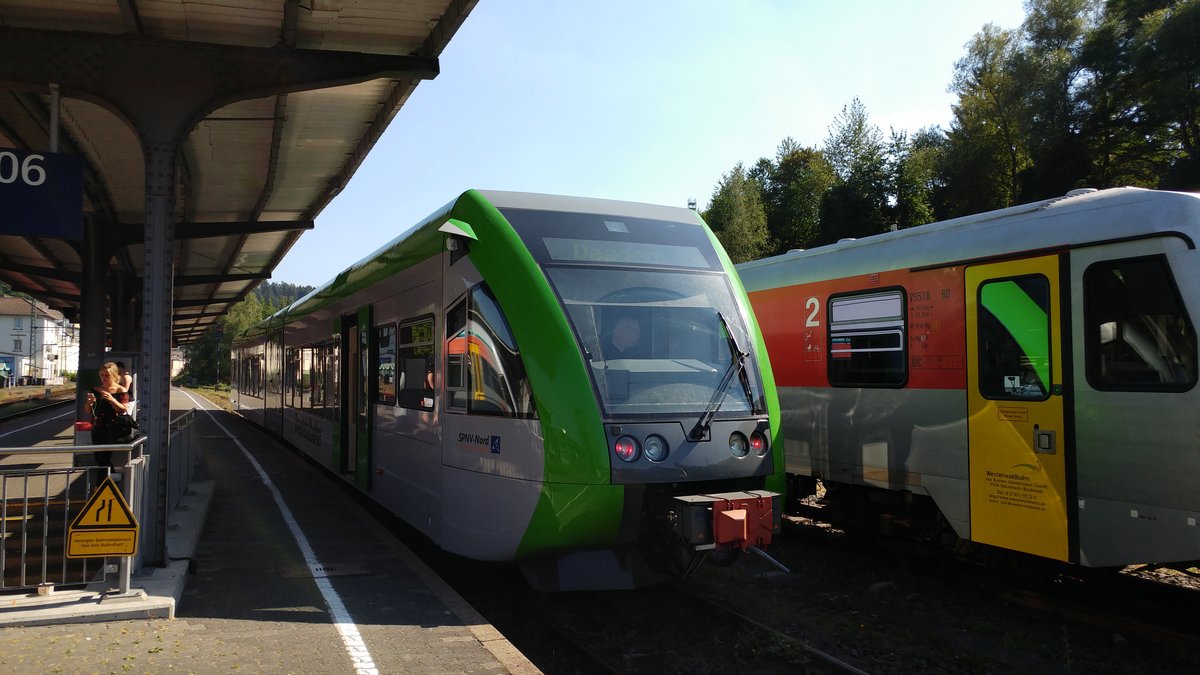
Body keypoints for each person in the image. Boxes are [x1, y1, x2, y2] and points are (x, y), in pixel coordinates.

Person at [86, 362, 131, 466]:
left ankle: (102, 482)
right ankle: (110, 478)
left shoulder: (121, 390)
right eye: (102, 375)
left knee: (104, 458)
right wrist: (89, 403)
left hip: (112, 427)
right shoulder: (96, 390)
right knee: (98, 458)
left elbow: (123, 409)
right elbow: (88, 410)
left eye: (107, 375)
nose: (104, 378)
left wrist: (112, 400)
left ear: (114, 376)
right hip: (98, 426)